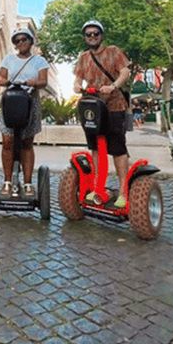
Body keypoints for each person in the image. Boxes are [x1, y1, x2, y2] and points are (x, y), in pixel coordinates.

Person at [73, 19, 132, 208]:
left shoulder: (113, 51)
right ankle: (100, 187)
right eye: (88, 34)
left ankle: (123, 190)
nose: (92, 37)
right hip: (93, 108)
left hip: (114, 105)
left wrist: (113, 86)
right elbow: (78, 78)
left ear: (101, 35)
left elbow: (125, 72)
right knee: (96, 148)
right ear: (85, 38)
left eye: (95, 34)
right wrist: (76, 86)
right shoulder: (83, 57)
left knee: (117, 148)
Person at [0, 28, 49, 196]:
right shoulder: (8, 59)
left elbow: (43, 81)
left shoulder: (39, 61)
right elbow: (0, 78)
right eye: (17, 41)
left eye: (24, 39)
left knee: (26, 143)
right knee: (7, 141)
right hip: (10, 101)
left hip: (30, 102)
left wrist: (33, 82)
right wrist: (7, 81)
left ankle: (27, 183)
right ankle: (7, 181)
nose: (20, 43)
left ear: (31, 41)